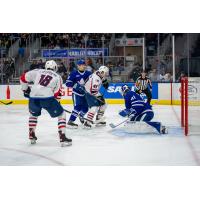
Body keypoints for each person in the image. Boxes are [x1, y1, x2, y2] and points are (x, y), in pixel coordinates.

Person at [20, 60, 72, 147]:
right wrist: (56, 102)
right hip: (47, 98)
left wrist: (25, 90)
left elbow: (23, 78)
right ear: (55, 68)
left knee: (33, 115)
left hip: (33, 97)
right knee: (62, 114)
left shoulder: (38, 71)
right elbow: (57, 93)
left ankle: (31, 134)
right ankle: (62, 136)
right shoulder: (58, 76)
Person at [65, 59, 92, 128]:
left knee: (86, 108)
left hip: (86, 94)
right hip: (76, 93)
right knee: (77, 107)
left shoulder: (88, 73)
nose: (82, 66)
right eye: (81, 65)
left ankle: (81, 116)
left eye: (83, 65)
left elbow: (92, 82)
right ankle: (70, 121)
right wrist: (77, 86)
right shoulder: (73, 73)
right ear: (78, 66)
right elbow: (68, 83)